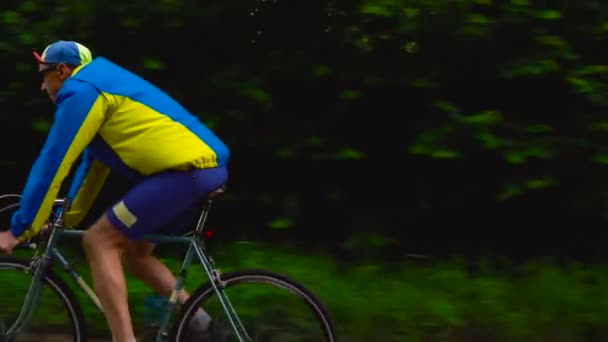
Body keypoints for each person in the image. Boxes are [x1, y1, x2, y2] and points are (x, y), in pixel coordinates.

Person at [0, 40, 231, 342]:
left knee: (99, 240)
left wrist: (19, 229)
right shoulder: (99, 87)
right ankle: (204, 327)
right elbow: (89, 172)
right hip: (200, 172)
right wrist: (62, 220)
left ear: (62, 70)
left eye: (44, 76)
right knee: (135, 254)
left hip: (186, 174)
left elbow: (53, 163)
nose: (43, 87)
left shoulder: (81, 90)